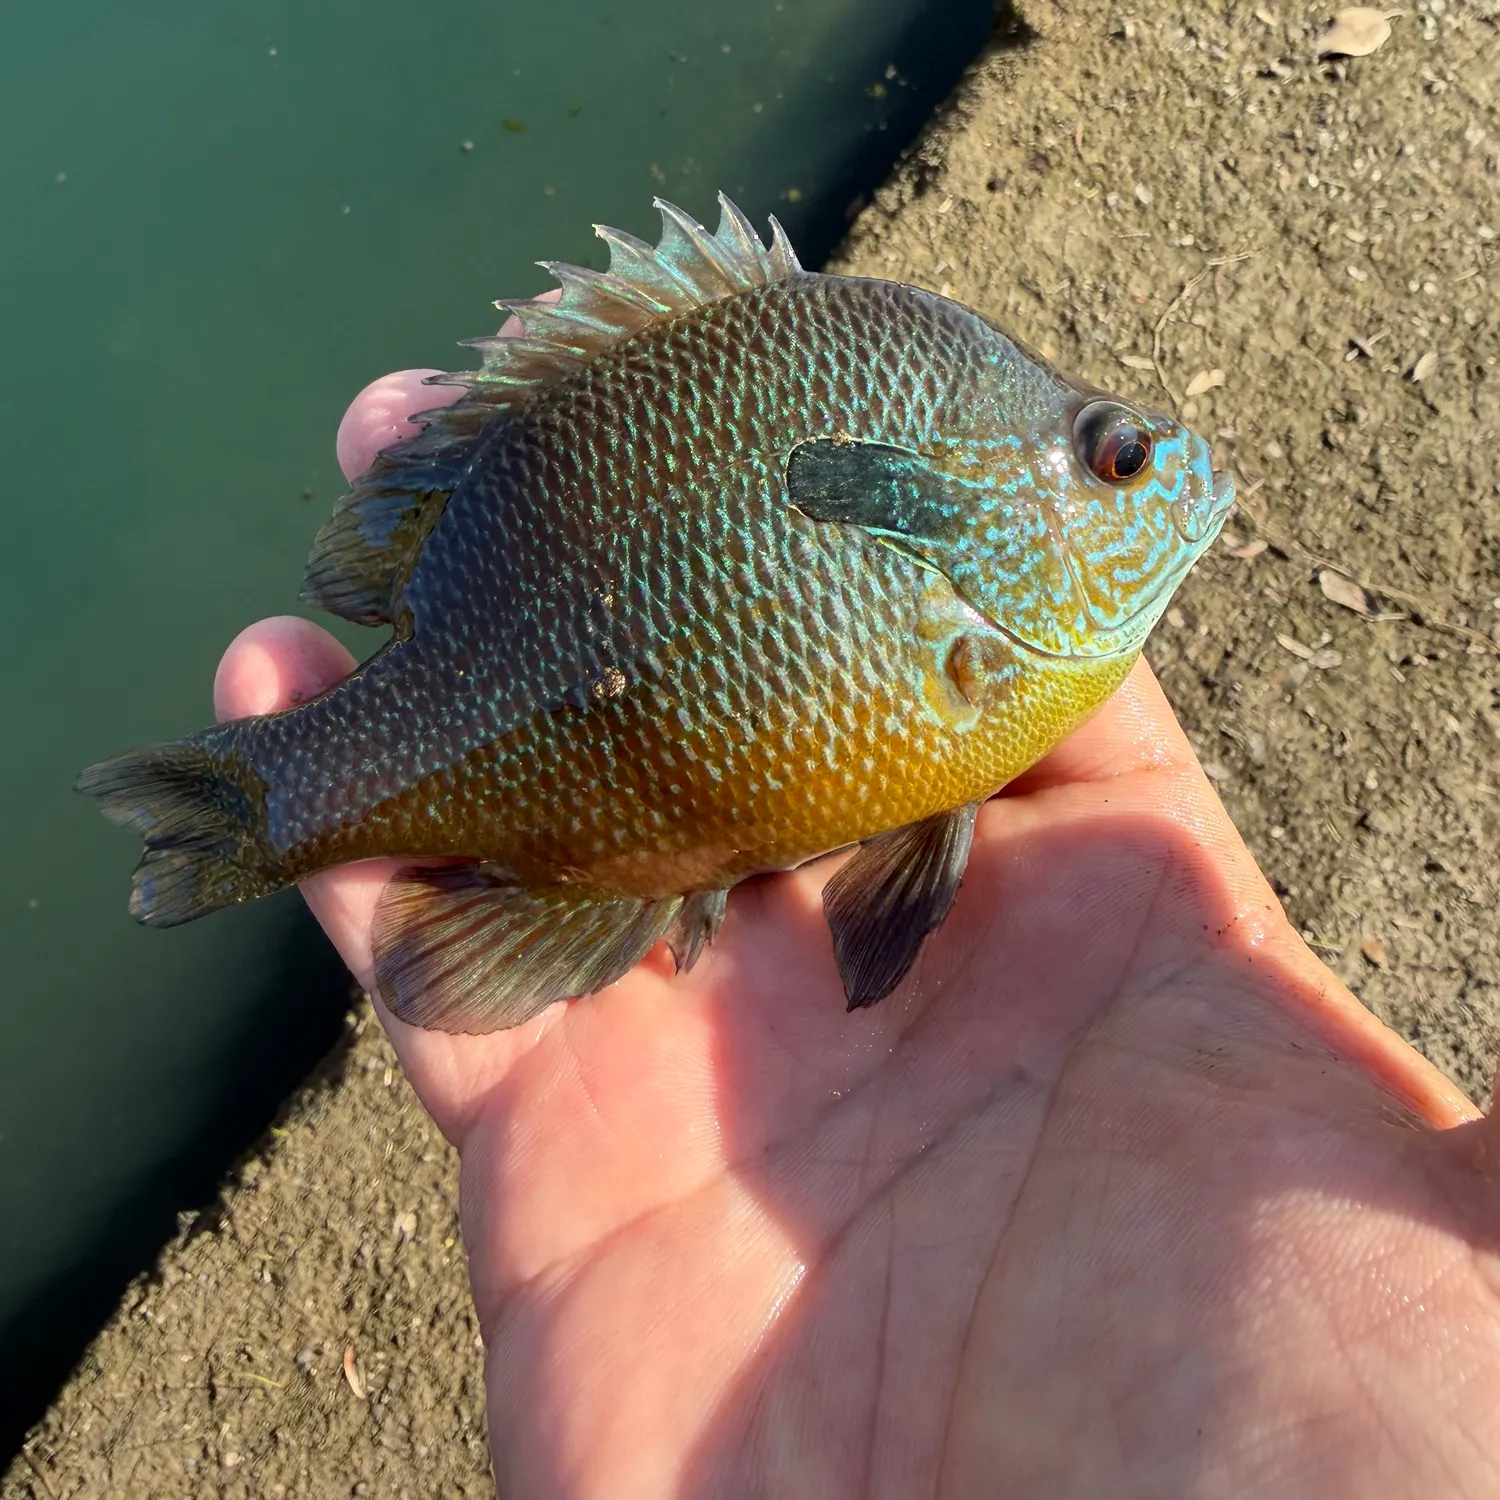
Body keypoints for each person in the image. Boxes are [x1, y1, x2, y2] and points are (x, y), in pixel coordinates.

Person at [213, 367, 1500, 1499]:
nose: (1160, 471)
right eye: (1117, 458)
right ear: (946, 502)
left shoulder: (1009, 657)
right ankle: (257, 808)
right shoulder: (996, 670)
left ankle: (250, 810)